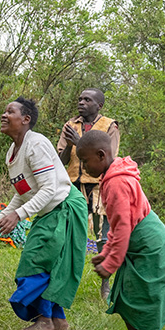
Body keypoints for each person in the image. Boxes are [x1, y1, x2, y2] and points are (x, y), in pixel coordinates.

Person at [0, 97, 88, 330]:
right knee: (47, 262)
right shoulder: (12, 153)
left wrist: (19, 216)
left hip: (63, 206)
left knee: (36, 262)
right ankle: (57, 320)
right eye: (4, 111)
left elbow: (48, 189)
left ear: (26, 119)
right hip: (50, 210)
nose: (4, 115)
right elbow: (24, 193)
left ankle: (44, 319)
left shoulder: (35, 145)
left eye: (10, 112)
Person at [76, 130, 165, 330]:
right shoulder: (111, 176)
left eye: (85, 161)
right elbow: (118, 223)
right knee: (124, 301)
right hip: (135, 243)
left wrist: (111, 263)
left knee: (140, 303)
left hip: (149, 246)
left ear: (101, 155)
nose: (83, 166)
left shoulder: (115, 182)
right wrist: (108, 252)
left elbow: (124, 226)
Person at [57, 88, 121, 300]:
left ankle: (105, 284)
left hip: (98, 185)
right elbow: (62, 160)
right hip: (73, 185)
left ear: (99, 105)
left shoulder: (110, 126)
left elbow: (108, 157)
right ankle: (65, 280)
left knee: (103, 236)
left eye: (87, 100)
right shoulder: (70, 125)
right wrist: (69, 145)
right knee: (69, 233)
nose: (81, 102)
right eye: (80, 99)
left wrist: (79, 143)